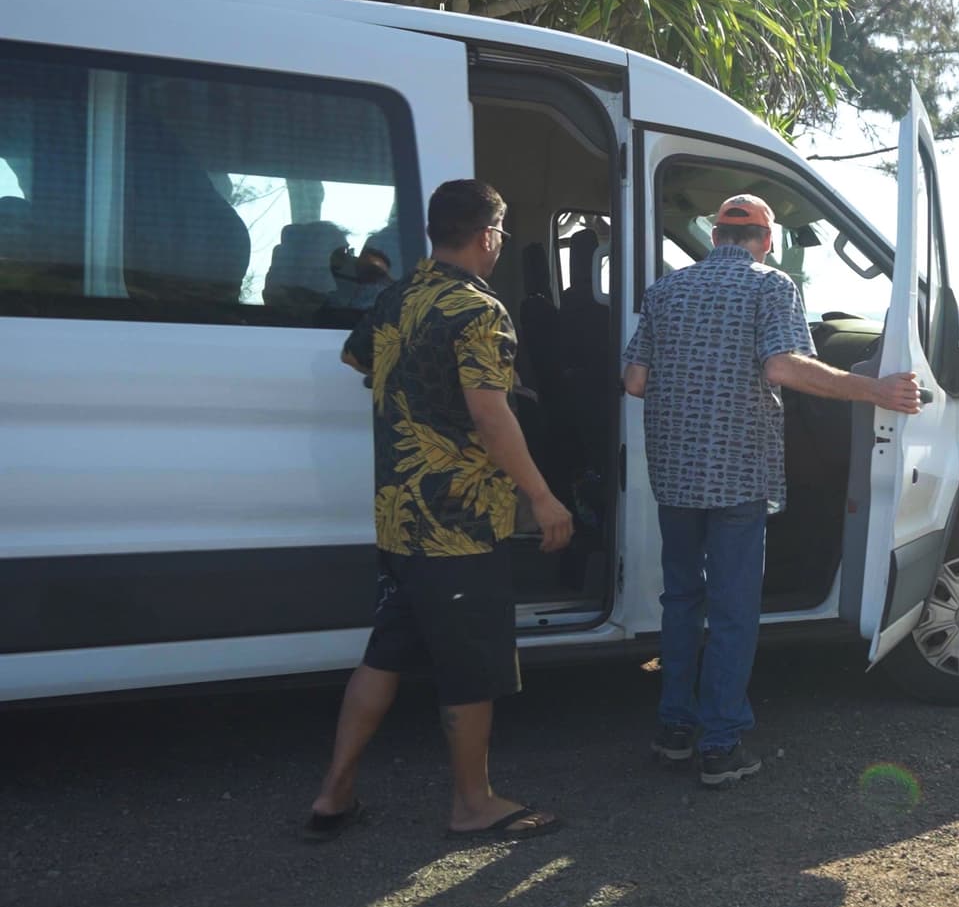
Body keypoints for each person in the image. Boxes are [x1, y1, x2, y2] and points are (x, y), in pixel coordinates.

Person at [303, 179, 574, 842]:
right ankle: (472, 804)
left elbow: (355, 355)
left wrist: (417, 391)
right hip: (459, 523)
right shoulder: (478, 309)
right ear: (487, 235)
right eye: (499, 234)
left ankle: (334, 793)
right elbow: (489, 415)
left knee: (385, 653)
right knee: (469, 669)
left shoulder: (400, 295)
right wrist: (542, 497)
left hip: (399, 516)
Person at [624, 194, 923, 788]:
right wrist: (875, 391)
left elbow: (634, 380)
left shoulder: (665, 290)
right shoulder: (771, 285)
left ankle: (675, 730)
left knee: (681, 600)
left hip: (675, 474)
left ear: (715, 236)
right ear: (764, 240)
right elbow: (783, 367)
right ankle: (721, 744)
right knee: (733, 610)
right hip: (737, 474)